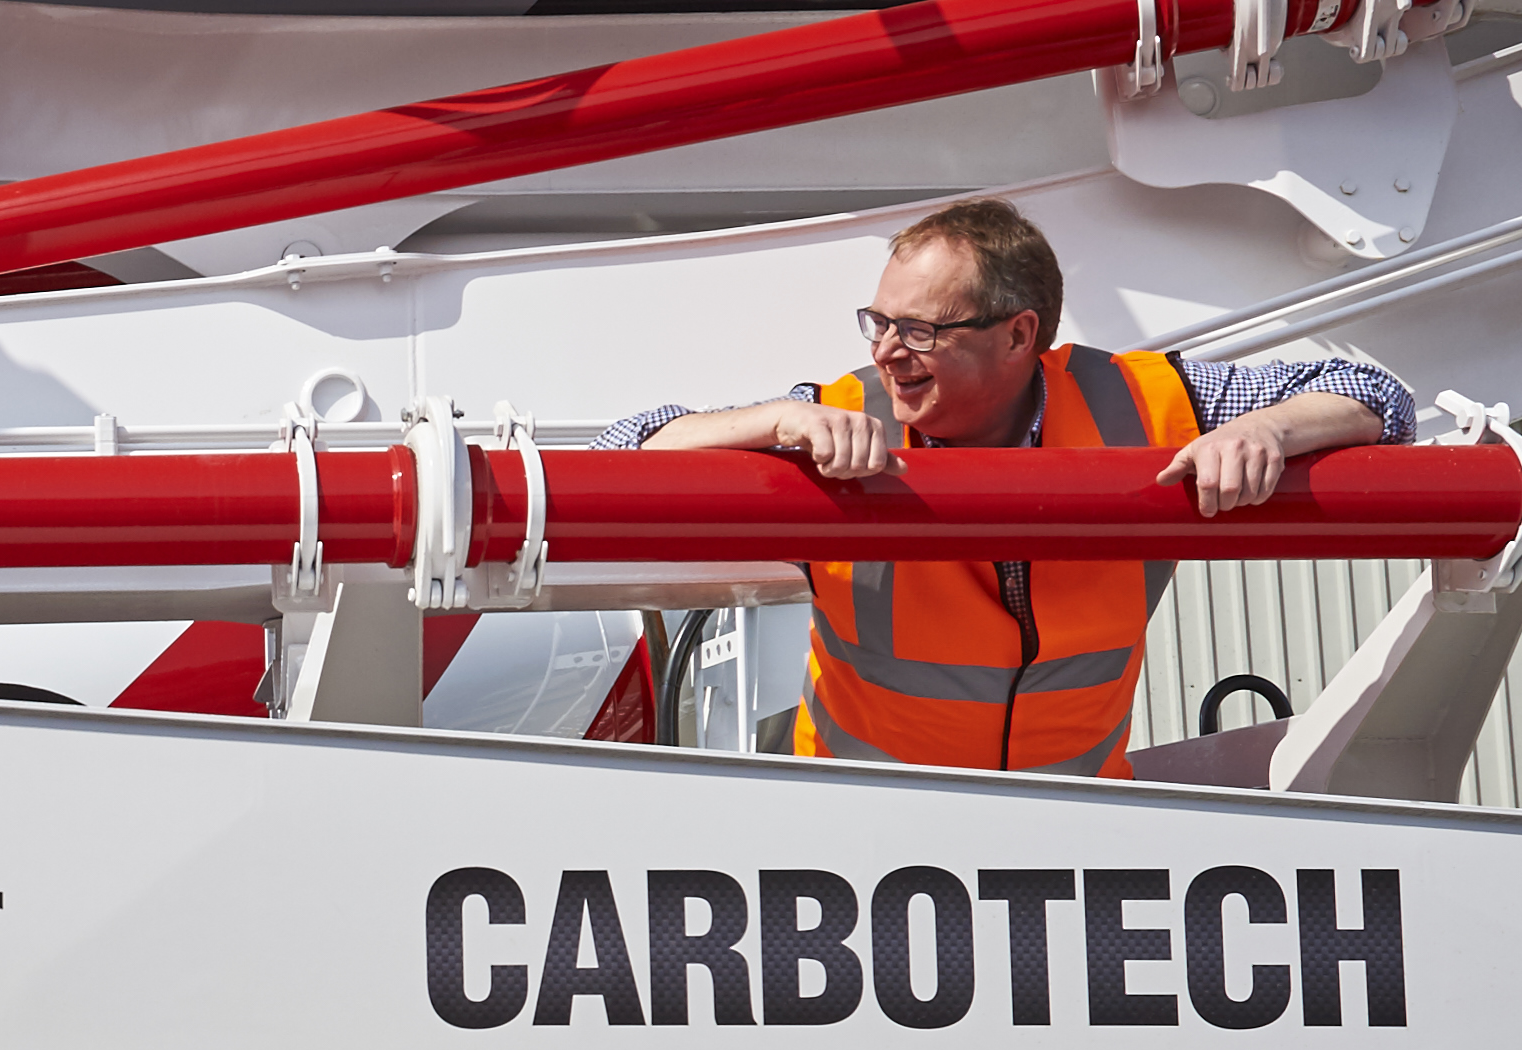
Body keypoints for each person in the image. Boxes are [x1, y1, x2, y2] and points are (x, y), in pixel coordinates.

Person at [601, 198, 1410, 776]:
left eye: (919, 329)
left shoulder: (1142, 403)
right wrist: (775, 419)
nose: (886, 351)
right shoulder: (836, 421)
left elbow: (1374, 396)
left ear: (1020, 334)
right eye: (876, 322)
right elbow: (623, 453)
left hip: (1063, 837)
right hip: (862, 844)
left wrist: (1265, 430)